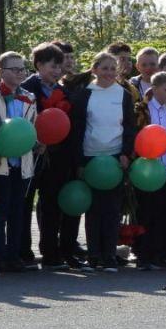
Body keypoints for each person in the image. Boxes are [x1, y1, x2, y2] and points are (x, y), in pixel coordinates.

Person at [68, 52, 136, 272]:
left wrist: (126, 153)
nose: (108, 73)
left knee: (112, 209)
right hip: (91, 157)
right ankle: (94, 255)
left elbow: (129, 127)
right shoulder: (84, 95)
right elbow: (77, 130)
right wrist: (79, 162)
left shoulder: (124, 95)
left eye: (112, 68)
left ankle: (109, 255)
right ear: (94, 69)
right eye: (104, 68)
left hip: (115, 157)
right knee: (93, 209)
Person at [22, 43, 82, 270]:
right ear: (38, 65)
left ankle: (50, 252)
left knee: (51, 205)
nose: (57, 71)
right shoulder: (27, 89)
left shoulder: (66, 91)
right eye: (51, 66)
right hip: (30, 154)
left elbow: (70, 127)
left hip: (57, 158)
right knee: (25, 204)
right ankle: (23, 252)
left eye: (59, 66)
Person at [0, 52, 38, 273]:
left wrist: (38, 142)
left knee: (19, 211)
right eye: (15, 69)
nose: (20, 73)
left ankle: (15, 256)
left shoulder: (29, 97)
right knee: (1, 212)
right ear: (1, 71)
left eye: (22, 69)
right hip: (1, 165)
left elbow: (32, 127)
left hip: (23, 163)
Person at [133, 72, 166, 270]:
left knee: (164, 212)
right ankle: (143, 254)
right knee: (146, 211)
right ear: (154, 89)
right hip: (146, 169)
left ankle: (160, 253)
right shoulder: (141, 109)